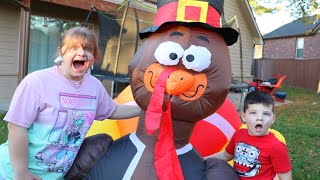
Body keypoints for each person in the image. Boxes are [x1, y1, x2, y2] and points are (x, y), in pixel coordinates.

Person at [0, 27, 140, 180]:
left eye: (88, 49)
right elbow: (16, 126)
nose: (81, 53)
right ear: (61, 52)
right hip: (12, 173)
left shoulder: (94, 87)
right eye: (74, 47)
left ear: (94, 57)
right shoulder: (37, 82)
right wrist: (21, 173)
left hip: (54, 176)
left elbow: (113, 111)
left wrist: (148, 105)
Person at [206, 91, 292, 180]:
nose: (260, 118)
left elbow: (286, 177)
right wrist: (202, 159)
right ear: (244, 116)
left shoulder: (276, 146)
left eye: (266, 114)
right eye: (253, 113)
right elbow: (225, 155)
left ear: (272, 119)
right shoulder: (239, 135)